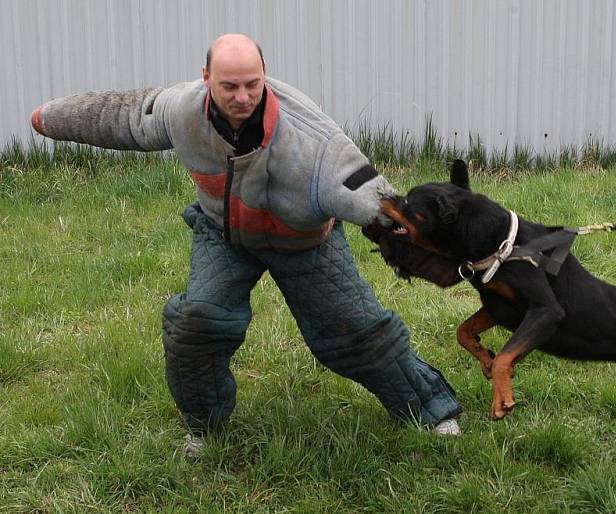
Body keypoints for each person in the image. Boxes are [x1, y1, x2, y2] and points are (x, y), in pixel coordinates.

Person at [31, 33, 461, 456]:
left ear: (265, 76)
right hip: (225, 235)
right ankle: (205, 428)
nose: (242, 96)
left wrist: (454, 249)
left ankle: (432, 409)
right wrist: (49, 117)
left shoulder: (316, 146)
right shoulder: (182, 111)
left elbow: (380, 202)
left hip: (305, 243)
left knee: (360, 335)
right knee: (196, 324)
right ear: (206, 79)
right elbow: (123, 117)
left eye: (252, 84)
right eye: (229, 86)